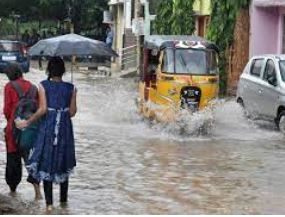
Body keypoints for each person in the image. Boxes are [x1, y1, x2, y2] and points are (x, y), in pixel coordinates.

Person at [16, 57, 77, 212]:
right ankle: (64, 204)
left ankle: (49, 206)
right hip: (64, 129)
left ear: (49, 70)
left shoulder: (43, 85)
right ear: (63, 71)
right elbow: (72, 112)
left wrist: (27, 122)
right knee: (63, 161)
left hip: (48, 127)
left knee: (46, 162)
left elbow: (42, 109)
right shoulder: (72, 87)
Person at [3, 63, 41, 198]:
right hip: (30, 130)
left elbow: (7, 110)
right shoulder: (33, 87)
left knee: (13, 162)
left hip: (13, 131)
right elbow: (39, 110)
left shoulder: (9, 86)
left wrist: (11, 123)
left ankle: (13, 192)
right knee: (30, 159)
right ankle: (38, 192)